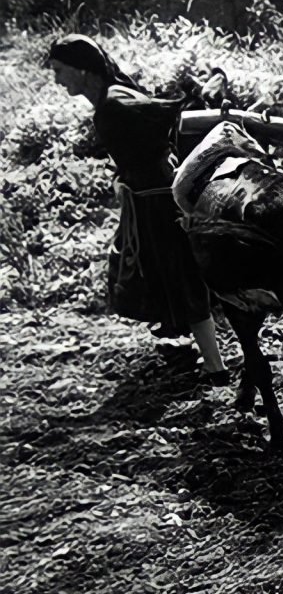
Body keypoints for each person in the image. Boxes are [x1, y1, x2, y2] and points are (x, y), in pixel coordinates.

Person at [45, 34, 228, 384]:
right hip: (147, 196)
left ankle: (216, 368)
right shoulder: (112, 99)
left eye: (59, 70)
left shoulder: (116, 105)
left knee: (180, 275)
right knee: (155, 271)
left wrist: (191, 101)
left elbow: (163, 127)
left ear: (82, 70)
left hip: (157, 200)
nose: (56, 79)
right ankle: (184, 343)